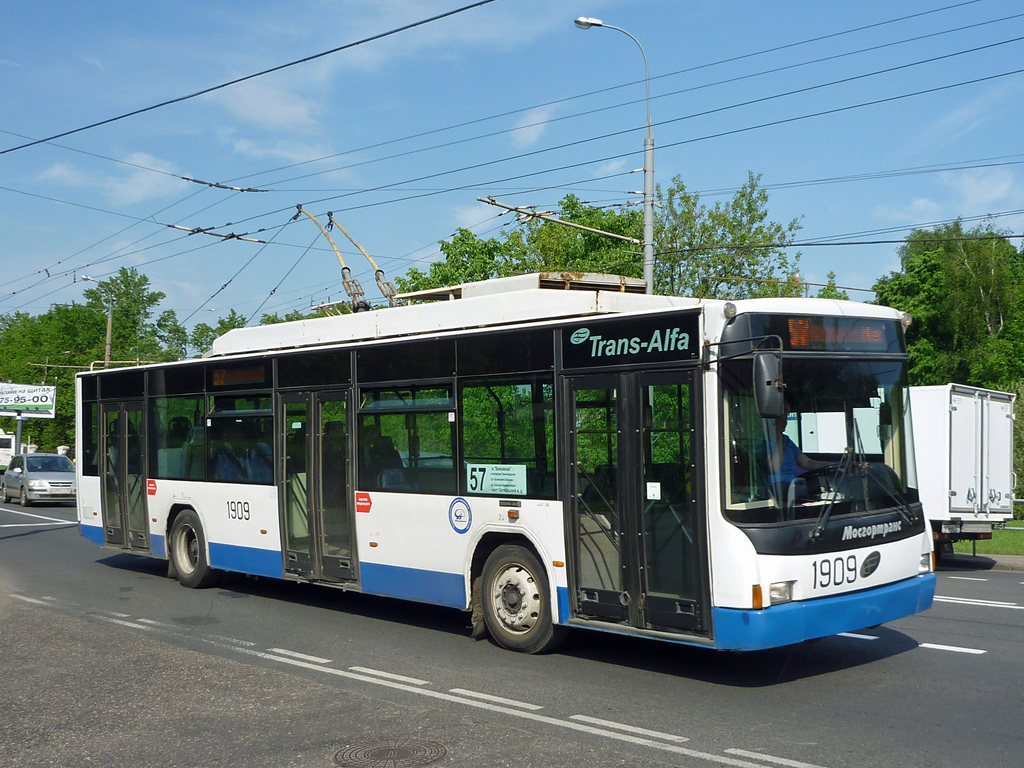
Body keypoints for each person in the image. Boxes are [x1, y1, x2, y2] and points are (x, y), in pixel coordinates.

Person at [767, 408, 830, 487]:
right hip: (775, 488)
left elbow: (808, 463)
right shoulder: (764, 441)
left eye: (785, 419)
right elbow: (774, 467)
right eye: (780, 419)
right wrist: (778, 439)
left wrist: (832, 466)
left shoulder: (786, 440)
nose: (784, 422)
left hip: (793, 485)